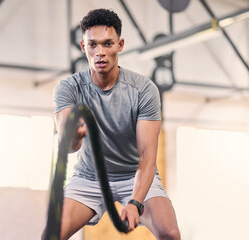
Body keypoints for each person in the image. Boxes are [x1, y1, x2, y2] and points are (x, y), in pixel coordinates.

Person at [43, 8, 180, 240]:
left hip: (134, 175)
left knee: (170, 233)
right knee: (50, 235)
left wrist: (136, 202)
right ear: (83, 46)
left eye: (108, 44)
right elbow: (69, 147)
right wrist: (75, 134)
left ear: (120, 45)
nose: (100, 53)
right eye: (93, 45)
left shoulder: (144, 90)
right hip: (89, 177)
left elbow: (147, 157)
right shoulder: (67, 88)